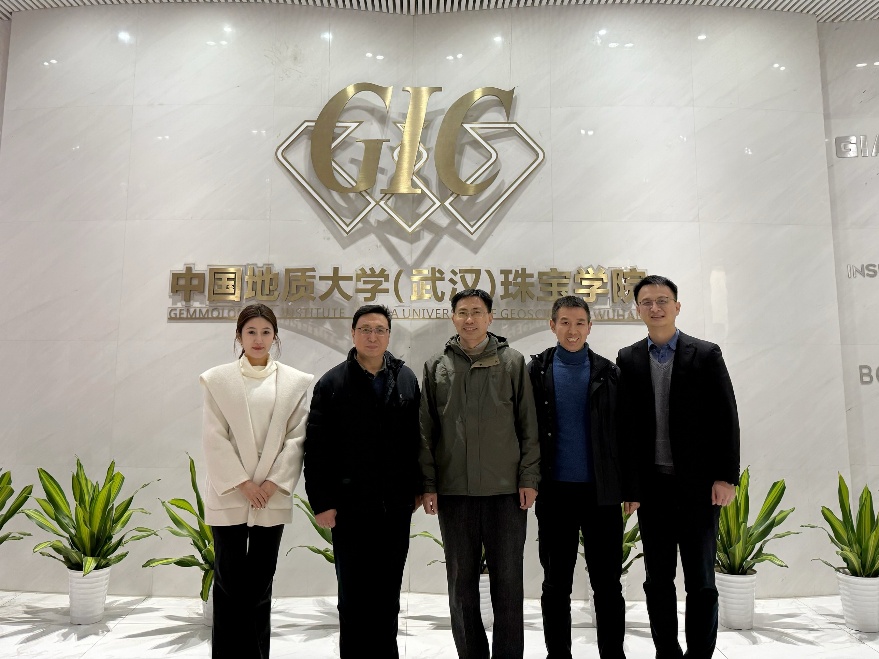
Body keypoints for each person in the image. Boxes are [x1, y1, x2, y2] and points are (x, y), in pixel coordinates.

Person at [616, 275, 739, 659]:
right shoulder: (629, 359)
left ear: (677, 306)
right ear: (638, 309)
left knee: (701, 580)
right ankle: (666, 651)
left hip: (699, 489)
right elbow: (626, 429)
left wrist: (726, 478)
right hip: (653, 489)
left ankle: (700, 653)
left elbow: (726, 419)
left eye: (662, 300)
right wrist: (630, 488)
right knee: (658, 580)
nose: (655, 308)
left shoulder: (705, 354)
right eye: (647, 302)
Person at [420, 288, 540, 659]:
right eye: (462, 312)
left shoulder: (512, 362)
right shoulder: (436, 366)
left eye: (476, 312)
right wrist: (428, 485)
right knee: (461, 585)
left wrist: (529, 478)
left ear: (490, 317)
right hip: (455, 491)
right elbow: (425, 431)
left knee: (508, 583)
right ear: (452, 317)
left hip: (506, 492)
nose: (469, 319)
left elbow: (528, 425)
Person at [303, 304, 421, 659]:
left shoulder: (406, 378)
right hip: (350, 509)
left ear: (389, 335)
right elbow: (316, 448)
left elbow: (417, 439)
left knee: (388, 594)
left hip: (395, 507)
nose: (373, 336)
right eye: (365, 329)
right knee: (353, 596)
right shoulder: (332, 383)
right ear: (353, 334)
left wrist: (418, 487)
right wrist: (322, 502)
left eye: (380, 330)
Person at [200, 303, 314, 659]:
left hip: (271, 495)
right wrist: (243, 483)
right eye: (251, 332)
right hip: (230, 494)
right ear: (239, 336)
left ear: (275, 337)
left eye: (266, 332)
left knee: (261, 585)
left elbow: (296, 439)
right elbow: (214, 437)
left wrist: (271, 484)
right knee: (228, 584)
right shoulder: (218, 380)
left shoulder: (293, 382)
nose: (258, 339)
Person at [527, 295, 632, 659]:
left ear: (590, 327)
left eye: (579, 323)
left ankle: (612, 655)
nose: (572, 331)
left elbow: (625, 433)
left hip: (601, 494)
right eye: (565, 323)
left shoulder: (609, 372)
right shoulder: (536, 371)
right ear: (552, 325)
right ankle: (558, 655)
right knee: (556, 583)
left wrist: (630, 487)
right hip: (554, 493)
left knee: (608, 584)